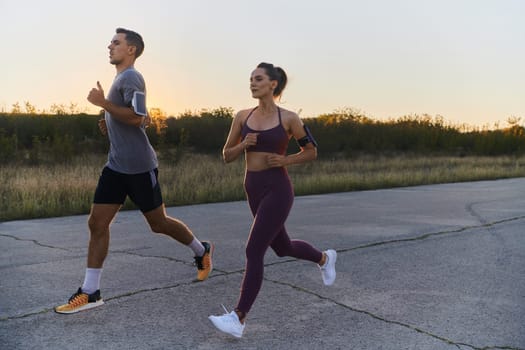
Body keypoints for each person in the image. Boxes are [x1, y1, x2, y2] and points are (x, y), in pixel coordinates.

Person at [55, 28, 213, 314]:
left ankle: (202, 251)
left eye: (116, 42)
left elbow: (139, 117)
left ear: (132, 50)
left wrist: (103, 104)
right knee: (97, 224)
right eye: (111, 42)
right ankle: (91, 292)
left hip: (140, 168)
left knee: (159, 223)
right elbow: (139, 118)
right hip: (116, 166)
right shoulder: (120, 79)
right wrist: (109, 120)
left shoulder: (131, 76)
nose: (110, 46)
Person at [208, 62, 337, 337]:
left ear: (273, 84)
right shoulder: (242, 116)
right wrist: (244, 144)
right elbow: (226, 155)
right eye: (251, 79)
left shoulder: (289, 118)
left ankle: (238, 318)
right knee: (283, 246)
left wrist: (285, 159)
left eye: (258, 79)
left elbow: (311, 151)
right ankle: (324, 259)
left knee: (254, 250)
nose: (252, 83)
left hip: (278, 188)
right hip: (252, 187)